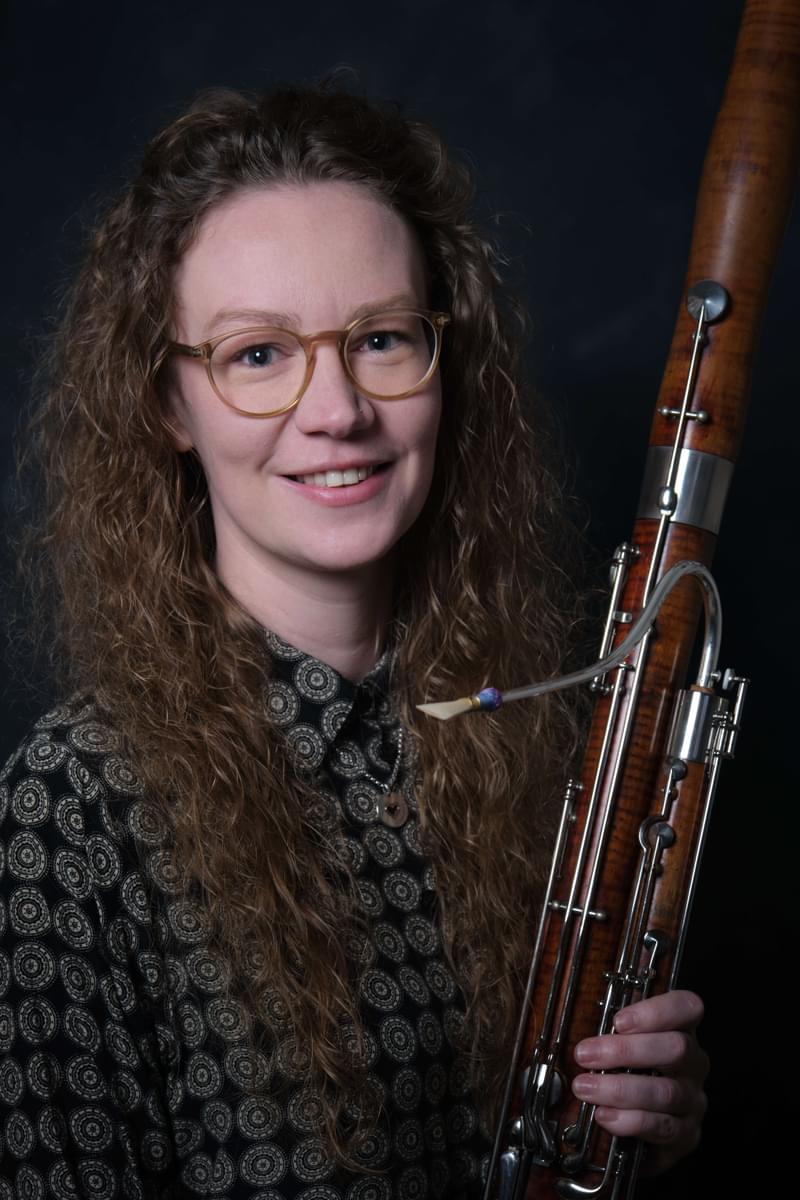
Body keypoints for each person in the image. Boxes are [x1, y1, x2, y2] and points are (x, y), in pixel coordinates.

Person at [1, 84, 708, 1197]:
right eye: (256, 355)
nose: (335, 409)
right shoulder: (71, 809)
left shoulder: (526, 735)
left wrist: (632, 1125)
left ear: (442, 363)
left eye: (380, 338)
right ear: (167, 407)